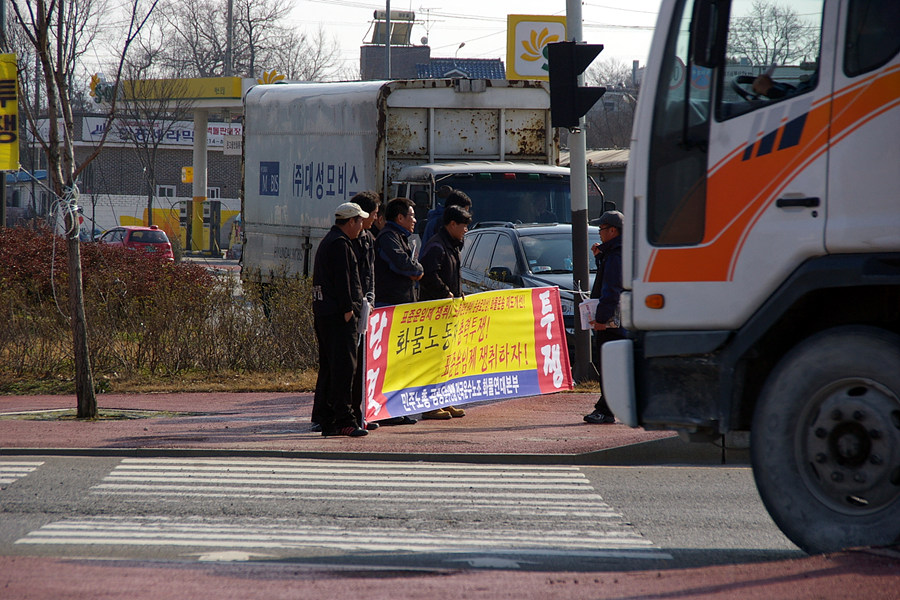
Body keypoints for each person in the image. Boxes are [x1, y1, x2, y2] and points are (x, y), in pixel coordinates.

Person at [311, 202, 369, 437]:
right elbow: (343, 280)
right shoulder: (340, 244)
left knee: (330, 368)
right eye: (360, 221)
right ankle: (345, 420)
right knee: (345, 369)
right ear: (351, 221)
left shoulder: (330, 240)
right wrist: (348, 310)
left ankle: (329, 420)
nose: (362, 225)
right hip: (338, 316)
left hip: (325, 314)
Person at [418, 205, 472, 420]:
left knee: (447, 360)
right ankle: (430, 406)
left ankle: (444, 401)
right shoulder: (436, 246)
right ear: (452, 224)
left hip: (449, 313)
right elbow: (428, 275)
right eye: (464, 226)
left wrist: (459, 293)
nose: (466, 230)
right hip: (435, 314)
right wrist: (446, 292)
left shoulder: (451, 245)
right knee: (434, 360)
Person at [373, 197, 424, 425]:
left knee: (400, 362)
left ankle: (396, 409)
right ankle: (385, 411)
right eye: (411, 215)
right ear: (400, 217)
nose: (415, 220)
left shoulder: (401, 237)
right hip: (388, 308)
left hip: (401, 308)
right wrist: (416, 271)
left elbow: (412, 267)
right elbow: (404, 265)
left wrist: (416, 270)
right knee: (389, 363)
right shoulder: (388, 238)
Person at [584, 210, 626, 425]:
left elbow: (611, 291)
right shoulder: (618, 252)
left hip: (613, 323)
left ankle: (606, 410)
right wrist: (600, 258)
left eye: (601, 229)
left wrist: (600, 319)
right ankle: (607, 407)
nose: (599, 233)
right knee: (615, 366)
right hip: (623, 320)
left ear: (613, 230)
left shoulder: (616, 256)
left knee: (608, 367)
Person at [351, 191, 382, 432]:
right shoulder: (343, 241)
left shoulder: (369, 238)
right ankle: (338, 415)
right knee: (346, 368)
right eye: (373, 214)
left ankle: (360, 413)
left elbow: (370, 274)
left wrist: (369, 300)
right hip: (349, 311)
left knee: (363, 365)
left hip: (364, 309)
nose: (375, 218)